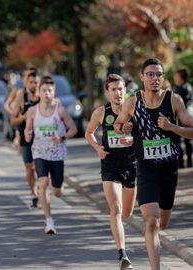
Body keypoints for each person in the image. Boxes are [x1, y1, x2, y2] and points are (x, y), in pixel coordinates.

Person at [114, 58, 193, 270]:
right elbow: (118, 124)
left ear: (163, 78)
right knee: (152, 222)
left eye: (158, 74)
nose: (154, 78)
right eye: (150, 74)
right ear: (142, 77)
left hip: (169, 172)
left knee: (163, 223)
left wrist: (171, 127)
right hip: (146, 170)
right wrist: (124, 130)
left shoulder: (174, 100)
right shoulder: (133, 102)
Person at [85, 74, 136, 269]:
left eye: (121, 88)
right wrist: (98, 148)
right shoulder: (100, 112)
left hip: (131, 165)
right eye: (113, 89)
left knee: (127, 213)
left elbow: (142, 135)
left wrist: (132, 140)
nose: (118, 93)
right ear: (107, 93)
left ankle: (120, 232)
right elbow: (88, 132)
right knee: (115, 208)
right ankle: (123, 254)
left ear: (125, 90)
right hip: (110, 165)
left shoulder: (133, 110)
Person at [25, 76, 77, 234]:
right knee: (42, 183)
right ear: (39, 92)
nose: (47, 93)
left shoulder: (60, 110)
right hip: (39, 152)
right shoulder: (32, 111)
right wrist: (27, 135)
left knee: (57, 192)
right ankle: (49, 221)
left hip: (57, 154)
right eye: (44, 90)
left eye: (50, 90)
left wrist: (61, 138)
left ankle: (59, 186)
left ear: (54, 92)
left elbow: (73, 129)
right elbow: (28, 132)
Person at [11, 69, 40, 208]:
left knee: (40, 166)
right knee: (30, 168)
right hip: (26, 137)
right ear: (26, 83)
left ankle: (42, 188)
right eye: (31, 82)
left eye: (36, 82)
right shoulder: (21, 96)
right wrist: (24, 116)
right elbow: (13, 120)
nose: (34, 84)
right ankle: (33, 192)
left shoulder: (44, 96)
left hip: (41, 139)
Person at [173, 67, 193, 167]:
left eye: (176, 75)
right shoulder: (187, 86)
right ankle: (189, 162)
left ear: (181, 76)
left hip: (184, 117)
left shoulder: (182, 88)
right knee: (188, 140)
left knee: (180, 138)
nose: (175, 77)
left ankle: (181, 163)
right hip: (189, 115)